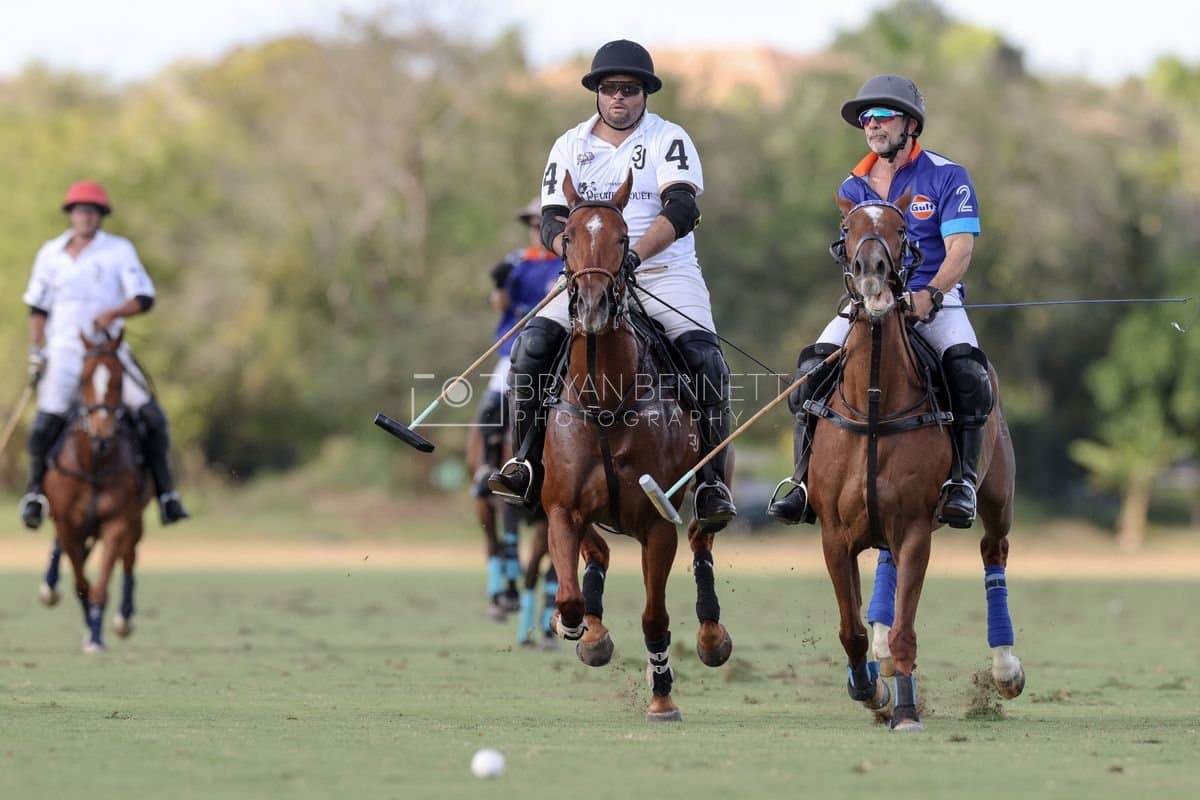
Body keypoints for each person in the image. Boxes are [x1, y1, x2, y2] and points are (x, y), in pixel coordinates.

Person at [487, 39, 737, 531]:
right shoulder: (570, 145)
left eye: (629, 88)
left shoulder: (668, 138)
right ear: (597, 93)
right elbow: (552, 221)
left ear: (645, 93)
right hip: (587, 277)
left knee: (707, 361)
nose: (619, 96)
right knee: (530, 349)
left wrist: (633, 255)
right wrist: (583, 262)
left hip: (663, 272)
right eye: (609, 88)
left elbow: (682, 208)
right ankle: (526, 463)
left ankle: (710, 482)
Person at [768, 74, 991, 529]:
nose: (872, 124)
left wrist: (930, 294)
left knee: (967, 371)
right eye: (867, 117)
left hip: (933, 300)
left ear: (911, 124)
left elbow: (960, 250)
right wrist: (868, 296)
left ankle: (962, 483)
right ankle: (802, 482)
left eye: (883, 116)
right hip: (866, 303)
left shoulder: (947, 175)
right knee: (810, 371)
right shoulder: (852, 187)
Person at [20, 180, 190, 529]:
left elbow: (144, 297)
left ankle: (167, 495)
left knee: (152, 417)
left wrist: (115, 313)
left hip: (109, 353)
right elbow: (37, 308)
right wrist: (36, 352)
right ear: (71, 215)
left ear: (101, 216)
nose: (86, 217)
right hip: (64, 353)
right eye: (80, 211)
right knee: (43, 426)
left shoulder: (118, 250)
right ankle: (35, 494)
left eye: (92, 211)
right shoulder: (50, 254)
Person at [473, 199, 563, 617]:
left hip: (553, 354)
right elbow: (500, 304)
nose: (536, 231)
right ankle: (487, 465)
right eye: (532, 224)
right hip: (512, 352)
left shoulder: (570, 259)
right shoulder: (517, 262)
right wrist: (500, 288)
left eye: (542, 224)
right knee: (492, 405)